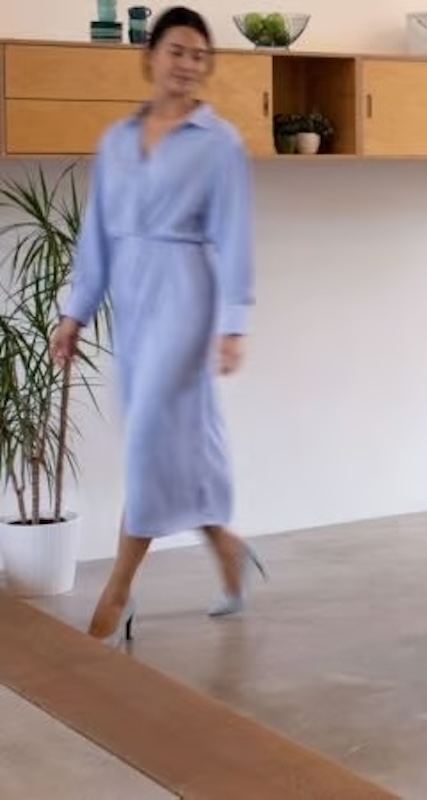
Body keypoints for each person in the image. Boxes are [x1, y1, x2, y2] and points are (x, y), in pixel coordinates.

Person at [50, 5, 265, 646]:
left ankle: (118, 592)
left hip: (187, 294)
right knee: (172, 440)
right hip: (133, 300)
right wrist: (74, 312)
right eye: (177, 50)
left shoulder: (218, 143)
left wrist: (232, 324)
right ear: (151, 56)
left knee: (149, 439)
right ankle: (227, 548)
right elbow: (98, 235)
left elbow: (236, 236)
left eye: (200, 55)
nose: (188, 64)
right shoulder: (117, 140)